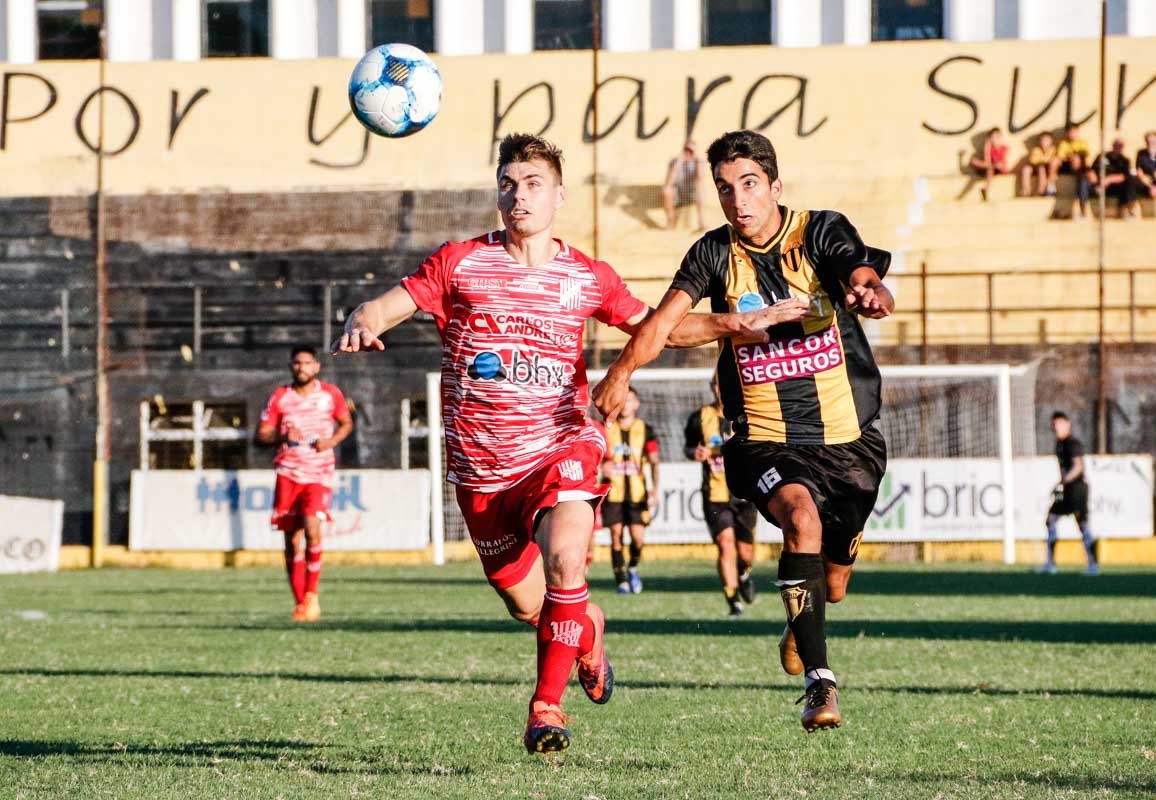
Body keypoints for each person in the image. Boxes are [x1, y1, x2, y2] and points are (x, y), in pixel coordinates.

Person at [332, 133, 805, 753]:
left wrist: (731, 322)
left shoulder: (586, 276)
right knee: (528, 606)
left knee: (566, 560)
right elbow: (388, 306)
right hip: (481, 470)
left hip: (562, 444)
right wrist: (363, 318)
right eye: (508, 184)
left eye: (533, 184)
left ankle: (546, 709)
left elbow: (659, 328)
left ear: (559, 195)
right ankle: (587, 633)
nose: (519, 196)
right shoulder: (460, 262)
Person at [593, 129, 893, 733]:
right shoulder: (712, 253)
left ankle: (802, 621)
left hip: (848, 440)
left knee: (834, 587)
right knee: (800, 520)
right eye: (725, 188)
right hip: (762, 437)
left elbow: (858, 269)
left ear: (775, 186)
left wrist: (871, 288)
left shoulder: (818, 231)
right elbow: (663, 325)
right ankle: (820, 685)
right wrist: (621, 371)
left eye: (750, 184)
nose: (738, 200)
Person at [255, 346, 354, 623]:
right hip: (288, 475)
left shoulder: (330, 394)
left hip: (319, 474)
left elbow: (346, 423)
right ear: (291, 366)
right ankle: (300, 602)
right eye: (297, 363)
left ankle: (311, 593)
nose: (302, 368)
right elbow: (261, 435)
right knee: (291, 540)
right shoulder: (280, 396)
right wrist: (282, 437)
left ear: (316, 366)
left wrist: (331, 442)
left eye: (307, 363)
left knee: (312, 527)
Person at [684, 375, 757, 616]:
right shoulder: (699, 417)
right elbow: (689, 447)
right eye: (717, 384)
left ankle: (743, 574)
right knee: (725, 544)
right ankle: (733, 601)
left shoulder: (748, 415)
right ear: (712, 388)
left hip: (744, 495)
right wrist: (694, 452)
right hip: (714, 495)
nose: (721, 388)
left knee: (746, 554)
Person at [600, 388, 659, 594]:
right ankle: (621, 580)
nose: (626, 404)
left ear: (637, 404)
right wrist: (601, 467)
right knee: (616, 535)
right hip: (613, 492)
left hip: (637, 493)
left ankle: (633, 566)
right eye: (623, 400)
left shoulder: (646, 429)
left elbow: (654, 461)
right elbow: (594, 456)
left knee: (638, 538)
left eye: (630, 400)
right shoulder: (605, 428)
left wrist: (655, 489)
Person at [1039, 411, 1099, 576]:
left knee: (1083, 524)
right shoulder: (1059, 445)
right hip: (1066, 489)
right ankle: (1050, 564)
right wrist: (1060, 484)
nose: (1056, 427)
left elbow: (1078, 467)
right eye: (1054, 424)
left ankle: (1093, 565)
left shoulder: (1072, 443)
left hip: (1077, 489)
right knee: (1050, 518)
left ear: (1067, 424)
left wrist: (1064, 481)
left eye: (1059, 424)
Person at [1080, 139, 1135, 218]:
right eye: (1116, 146)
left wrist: (1108, 180)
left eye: (1120, 146)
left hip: (1113, 187)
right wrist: (1092, 175)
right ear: (1113, 146)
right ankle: (1083, 212)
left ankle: (1126, 211)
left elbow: (1124, 176)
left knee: (1130, 183)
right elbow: (1092, 169)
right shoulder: (1102, 156)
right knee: (1083, 182)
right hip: (1097, 184)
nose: (1118, 148)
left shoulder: (1125, 160)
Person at [663, 139, 706, 229]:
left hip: (692, 193)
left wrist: (697, 161)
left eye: (691, 151)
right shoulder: (674, 162)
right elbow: (669, 182)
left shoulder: (698, 161)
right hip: (677, 194)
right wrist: (678, 163)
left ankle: (701, 221)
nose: (688, 153)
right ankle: (671, 221)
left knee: (700, 186)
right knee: (667, 190)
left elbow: (700, 179)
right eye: (686, 149)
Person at [1050, 124, 1090, 215]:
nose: (1072, 134)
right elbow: (1060, 156)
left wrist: (1073, 156)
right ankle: (1051, 185)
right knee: (1054, 161)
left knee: (1076, 159)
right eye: (1070, 132)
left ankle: (1079, 177)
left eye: (1074, 132)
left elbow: (1085, 155)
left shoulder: (1082, 143)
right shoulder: (1064, 143)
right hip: (1066, 165)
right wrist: (1070, 156)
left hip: (1079, 166)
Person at [969, 127, 1010, 201]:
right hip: (989, 167)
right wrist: (987, 148)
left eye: (997, 137)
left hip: (998, 168)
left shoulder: (1004, 148)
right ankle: (985, 189)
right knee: (975, 161)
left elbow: (1002, 164)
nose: (994, 139)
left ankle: (986, 189)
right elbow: (987, 161)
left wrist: (992, 165)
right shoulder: (989, 148)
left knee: (989, 169)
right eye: (992, 137)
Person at [1020, 130, 1056, 197]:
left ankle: (1041, 189)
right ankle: (1026, 190)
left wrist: (1042, 161)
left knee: (1041, 168)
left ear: (1051, 141)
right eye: (1043, 140)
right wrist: (1042, 161)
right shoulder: (1036, 150)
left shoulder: (1053, 150)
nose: (1045, 142)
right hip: (1036, 167)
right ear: (1039, 141)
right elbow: (1033, 161)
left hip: (1047, 168)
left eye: (1047, 140)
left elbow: (1052, 160)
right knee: (1026, 169)